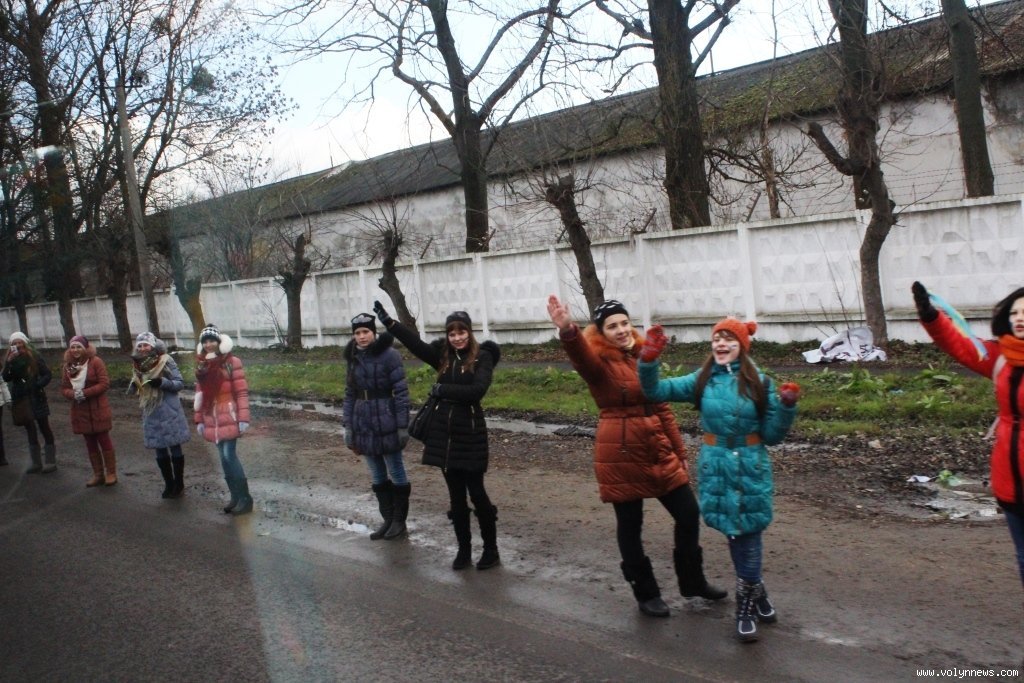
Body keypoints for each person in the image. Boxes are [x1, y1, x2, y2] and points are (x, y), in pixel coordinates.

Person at [546, 296, 726, 619]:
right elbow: (580, 356)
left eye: (624, 323)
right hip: (620, 451)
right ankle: (646, 593)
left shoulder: (645, 357)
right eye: (612, 326)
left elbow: (662, 407)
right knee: (630, 525)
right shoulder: (598, 363)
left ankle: (692, 581)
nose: (620, 330)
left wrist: (679, 451)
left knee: (688, 513)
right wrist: (568, 330)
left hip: (656, 446)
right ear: (601, 332)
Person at [636, 316, 799, 642]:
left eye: (729, 339)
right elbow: (654, 390)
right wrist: (648, 361)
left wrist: (785, 408)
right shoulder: (702, 379)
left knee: (748, 534)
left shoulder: (761, 383)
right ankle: (759, 594)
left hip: (750, 468)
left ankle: (745, 608)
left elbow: (772, 435)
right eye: (717, 339)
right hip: (717, 469)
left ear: (742, 346)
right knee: (736, 535)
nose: (721, 344)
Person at [912, 281, 1024, 594]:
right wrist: (931, 315)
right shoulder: (1001, 356)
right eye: (1015, 312)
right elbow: (960, 344)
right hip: (1010, 480)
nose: (1019, 318)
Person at [373, 300, 502, 570]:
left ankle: (491, 550)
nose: (457, 338)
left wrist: (443, 390)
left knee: (477, 494)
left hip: (471, 435)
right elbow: (415, 344)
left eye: (461, 332)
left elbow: (477, 391)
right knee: (456, 497)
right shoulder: (443, 356)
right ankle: (464, 551)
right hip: (444, 436)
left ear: (469, 332)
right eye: (452, 333)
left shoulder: (483, 357)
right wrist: (390, 323)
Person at [342, 312, 412, 539]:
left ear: (373, 332)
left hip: (387, 420)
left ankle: (399, 522)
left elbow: (401, 392)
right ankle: (388, 520)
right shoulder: (353, 357)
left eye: (366, 331)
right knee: (377, 474)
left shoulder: (390, 356)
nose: (362, 336)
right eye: (357, 333)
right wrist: (348, 426)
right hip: (363, 422)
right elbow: (349, 394)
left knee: (396, 470)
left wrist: (402, 425)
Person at [194, 324, 253, 515]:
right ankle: (235, 496)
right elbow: (200, 394)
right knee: (223, 458)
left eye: (212, 340)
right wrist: (199, 420)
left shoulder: (232, 362)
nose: (209, 344)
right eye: (205, 341)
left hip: (229, 413)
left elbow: (241, 391)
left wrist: (243, 417)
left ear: (219, 342)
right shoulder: (202, 365)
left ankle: (245, 499)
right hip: (211, 417)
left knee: (229, 455)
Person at [130, 332, 191, 498]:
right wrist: (135, 385)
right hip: (151, 411)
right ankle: (168, 484)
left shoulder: (166, 360)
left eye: (146, 345)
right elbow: (137, 385)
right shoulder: (137, 364)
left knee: (175, 446)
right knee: (159, 448)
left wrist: (161, 382)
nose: (143, 348)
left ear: (153, 346)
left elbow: (179, 383)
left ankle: (179, 484)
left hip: (169, 410)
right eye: (140, 345)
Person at [59, 335, 117, 486]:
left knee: (103, 439)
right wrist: (73, 394)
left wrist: (85, 393)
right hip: (80, 410)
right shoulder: (68, 366)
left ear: (85, 348)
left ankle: (111, 473)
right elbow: (64, 388)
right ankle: (98, 474)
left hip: (98, 407)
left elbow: (104, 383)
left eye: (78, 347)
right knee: (89, 442)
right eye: (73, 347)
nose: (75, 350)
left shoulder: (95, 362)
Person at [2, 332, 56, 473]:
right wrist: (9, 362)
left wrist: (38, 384)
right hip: (21, 399)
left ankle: (50, 461)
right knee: (30, 429)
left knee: (44, 426)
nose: (17, 345)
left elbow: (47, 374)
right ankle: (36, 462)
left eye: (19, 342)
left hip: (36, 396)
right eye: (14, 343)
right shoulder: (11, 360)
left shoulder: (34, 356)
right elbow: (6, 378)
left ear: (25, 343)